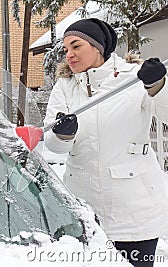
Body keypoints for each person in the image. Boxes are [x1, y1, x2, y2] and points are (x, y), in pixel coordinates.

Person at [43, 18, 168, 266]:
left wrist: (159, 86)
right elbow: (53, 145)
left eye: (76, 46)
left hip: (134, 210)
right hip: (84, 211)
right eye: (66, 49)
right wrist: (63, 134)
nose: (69, 55)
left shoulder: (134, 78)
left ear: (97, 47)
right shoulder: (65, 87)